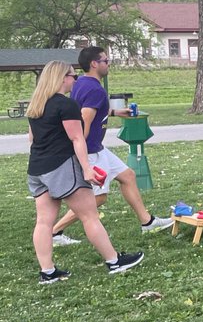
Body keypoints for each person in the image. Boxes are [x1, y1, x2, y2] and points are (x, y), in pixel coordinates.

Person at [27, 61, 145, 284]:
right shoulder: (66, 105)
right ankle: (114, 261)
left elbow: (31, 139)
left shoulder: (36, 105)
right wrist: (87, 168)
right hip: (62, 167)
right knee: (89, 215)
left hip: (37, 169)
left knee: (43, 221)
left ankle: (48, 272)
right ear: (62, 78)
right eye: (72, 76)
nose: (75, 80)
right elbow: (77, 138)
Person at [50, 47, 172, 245]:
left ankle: (147, 222)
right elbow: (85, 118)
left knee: (128, 176)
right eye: (106, 61)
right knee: (97, 199)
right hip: (90, 151)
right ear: (94, 64)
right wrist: (81, 151)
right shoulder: (94, 88)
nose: (109, 64)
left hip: (97, 148)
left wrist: (115, 113)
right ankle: (54, 232)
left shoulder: (80, 83)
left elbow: (90, 109)